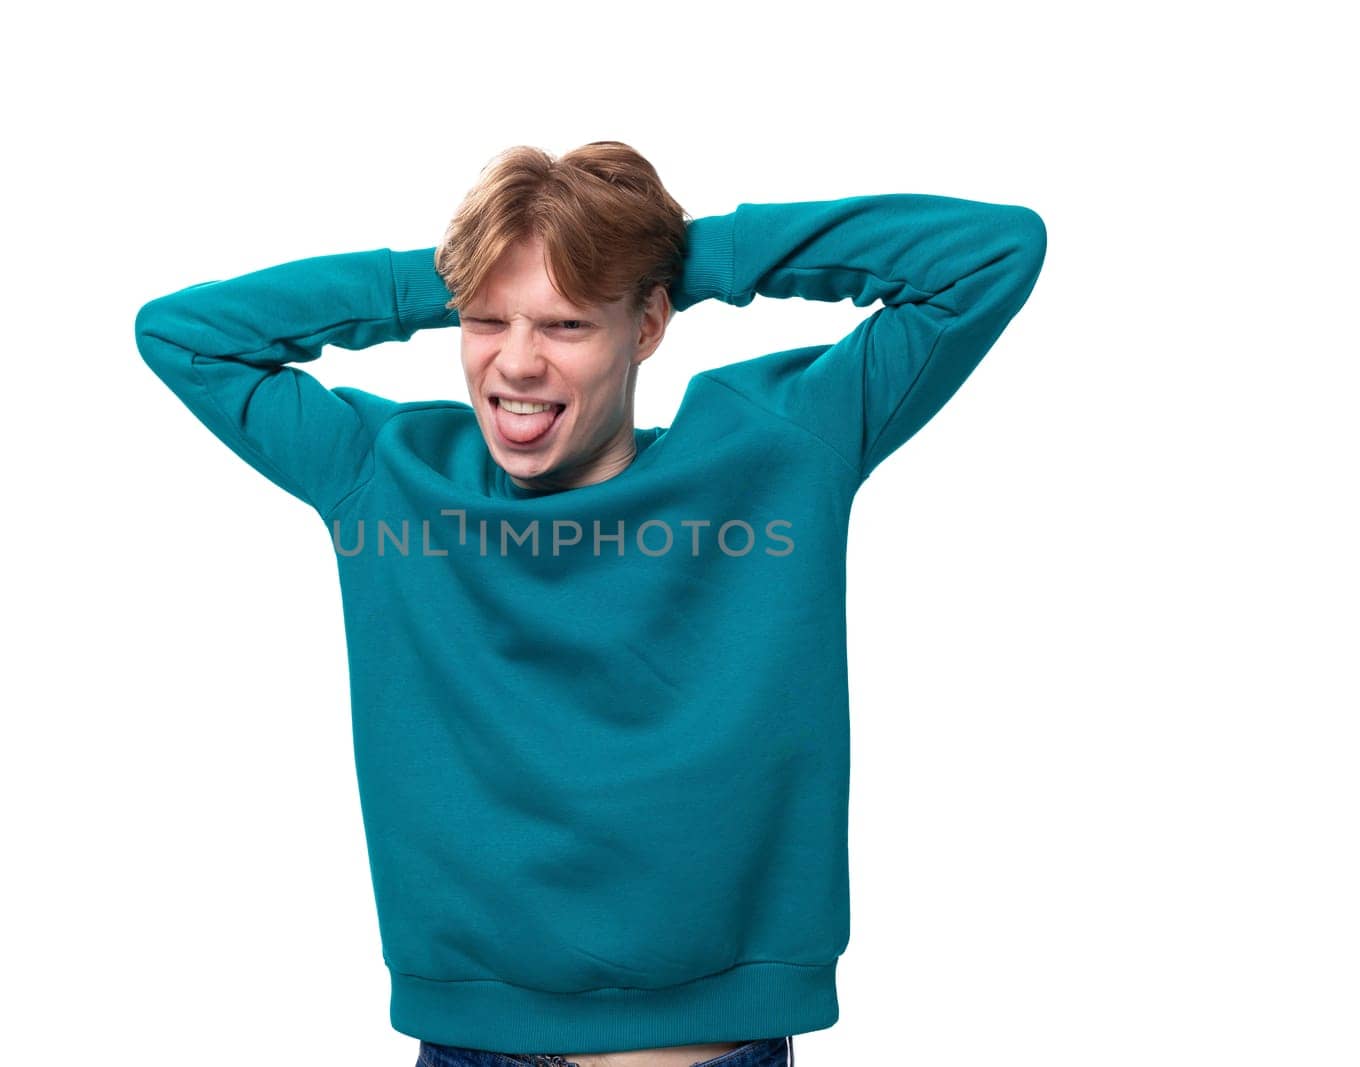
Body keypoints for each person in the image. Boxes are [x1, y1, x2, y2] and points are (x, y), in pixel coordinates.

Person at [133, 141, 1047, 1067]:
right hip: (468, 1050)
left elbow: (991, 253)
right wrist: (452, 271)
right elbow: (182, 334)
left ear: (647, 324)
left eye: (566, 324)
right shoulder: (389, 475)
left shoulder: (776, 450)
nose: (517, 364)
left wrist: (691, 259)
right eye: (487, 321)